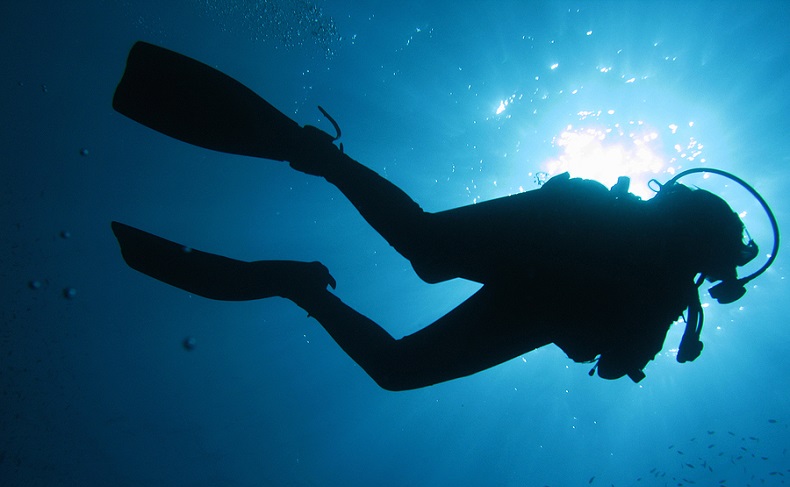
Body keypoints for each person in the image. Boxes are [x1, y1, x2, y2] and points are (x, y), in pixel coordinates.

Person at [110, 42, 756, 391]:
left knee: (420, 273)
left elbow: (610, 349)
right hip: (568, 241)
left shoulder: (674, 283)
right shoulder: (677, 283)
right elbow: (613, 359)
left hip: (560, 253)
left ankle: (309, 183)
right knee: (416, 294)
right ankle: (302, 239)